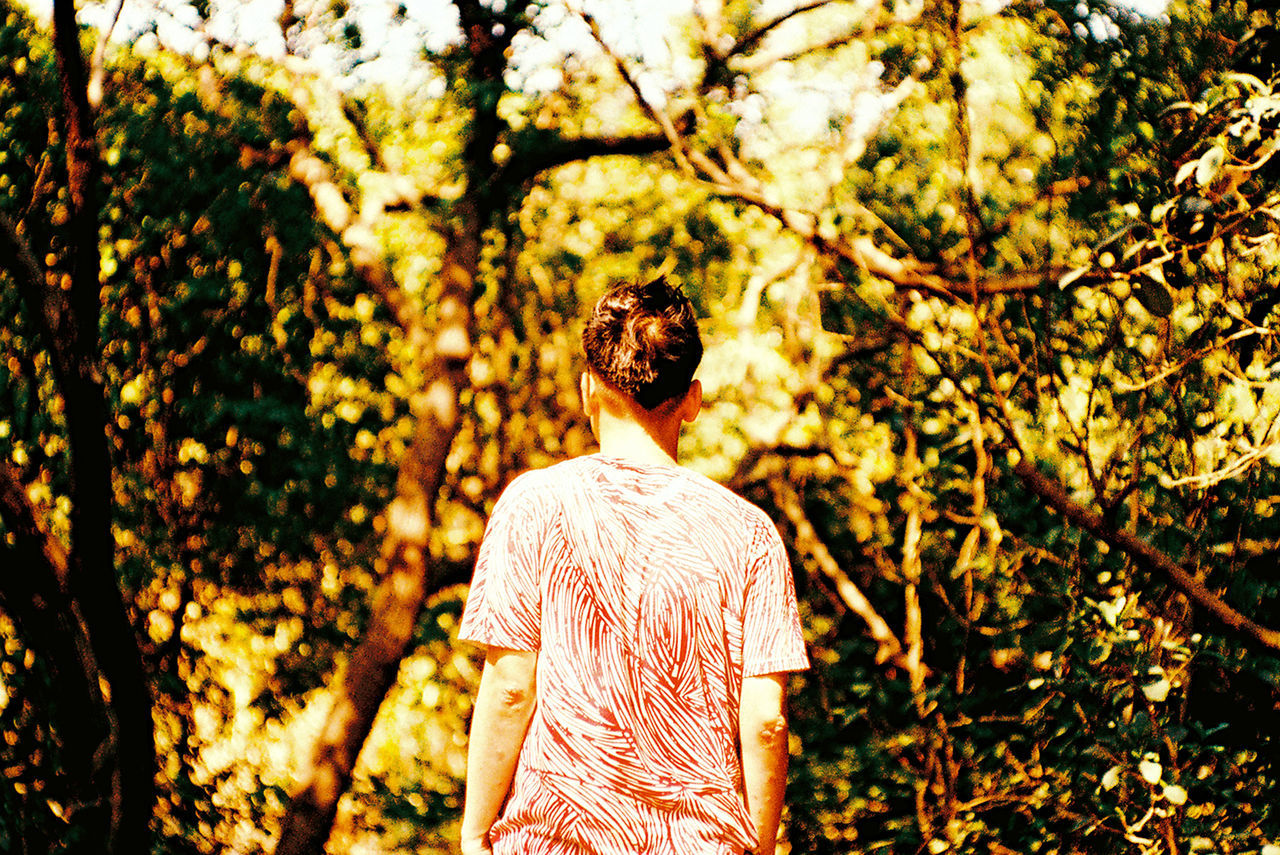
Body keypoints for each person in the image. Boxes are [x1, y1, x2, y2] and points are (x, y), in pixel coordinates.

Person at [457, 277, 809, 855]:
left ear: (588, 389)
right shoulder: (751, 535)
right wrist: (761, 848)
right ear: (692, 401)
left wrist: (475, 833)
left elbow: (511, 688)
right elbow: (767, 722)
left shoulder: (536, 503)